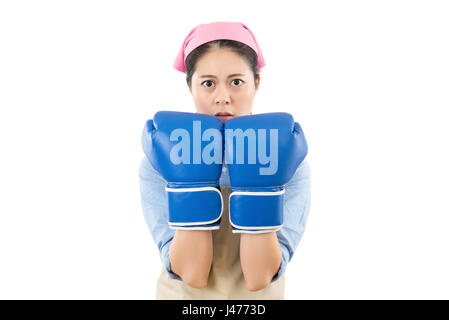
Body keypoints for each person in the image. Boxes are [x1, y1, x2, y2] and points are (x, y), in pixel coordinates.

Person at [138, 21, 311, 299]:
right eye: (208, 83)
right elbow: (192, 275)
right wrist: (189, 175)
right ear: (190, 86)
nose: (222, 97)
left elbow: (259, 278)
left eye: (236, 81)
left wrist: (258, 180)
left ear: (256, 83)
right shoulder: (160, 157)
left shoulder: (287, 156)